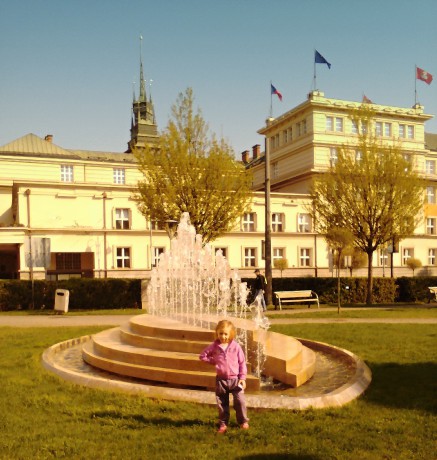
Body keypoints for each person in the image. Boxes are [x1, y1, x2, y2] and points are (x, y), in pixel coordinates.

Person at [199, 319, 249, 433]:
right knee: (222, 403)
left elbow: (242, 363)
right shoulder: (214, 346)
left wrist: (242, 378)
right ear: (217, 333)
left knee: (240, 401)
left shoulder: (236, 347)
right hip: (221, 380)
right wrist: (214, 361)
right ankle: (223, 423)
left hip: (235, 380)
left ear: (231, 334)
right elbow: (202, 356)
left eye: (226, 334)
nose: (223, 336)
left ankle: (243, 421)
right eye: (220, 333)